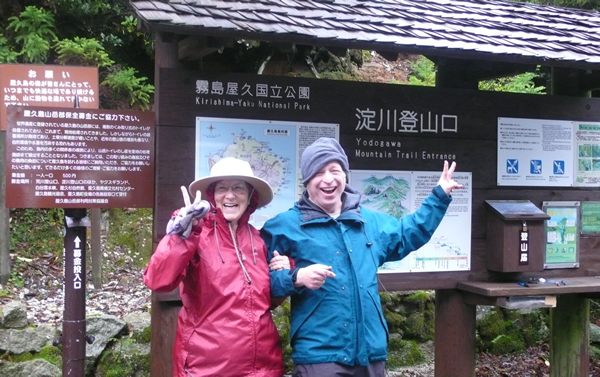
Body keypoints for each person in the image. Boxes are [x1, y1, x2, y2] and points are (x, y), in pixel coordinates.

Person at [261, 137, 462, 377]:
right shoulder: (284, 226)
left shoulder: (368, 221)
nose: (328, 179)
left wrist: (439, 198)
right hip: (320, 357)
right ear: (307, 181)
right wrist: (295, 277)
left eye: (334, 170)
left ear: (345, 176)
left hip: (370, 352)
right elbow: (256, 284)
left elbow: (409, 233)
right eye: (318, 172)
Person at [144, 157, 289, 377]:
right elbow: (157, 281)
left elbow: (265, 301)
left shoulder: (258, 240)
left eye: (238, 188)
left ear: (250, 196)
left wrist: (285, 269)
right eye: (222, 188)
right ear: (212, 195)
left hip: (263, 368)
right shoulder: (196, 233)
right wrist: (181, 237)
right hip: (206, 368)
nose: (230, 195)